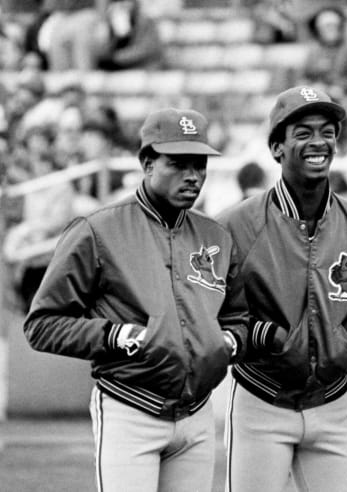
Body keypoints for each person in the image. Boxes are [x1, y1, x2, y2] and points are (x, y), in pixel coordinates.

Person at [23, 107, 249, 492]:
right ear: (147, 162)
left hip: (196, 414)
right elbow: (41, 325)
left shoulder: (216, 236)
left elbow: (238, 317)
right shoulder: (98, 230)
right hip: (129, 407)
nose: (192, 176)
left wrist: (228, 341)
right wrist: (113, 335)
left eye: (199, 164)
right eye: (178, 164)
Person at [217, 85, 347, 492]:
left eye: (327, 131)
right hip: (260, 400)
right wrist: (264, 336)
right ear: (276, 148)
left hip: (333, 404)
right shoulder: (235, 226)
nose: (318, 142)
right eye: (302, 132)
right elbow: (214, 315)